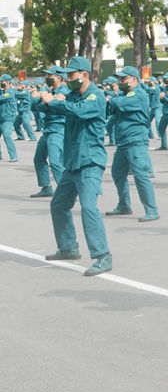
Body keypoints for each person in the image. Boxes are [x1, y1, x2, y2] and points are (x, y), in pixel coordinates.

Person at [40, 57, 113, 276]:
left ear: (84, 75)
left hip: (90, 161)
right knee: (59, 204)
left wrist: (53, 101)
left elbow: (78, 111)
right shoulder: (72, 95)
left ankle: (103, 255)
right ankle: (68, 246)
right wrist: (48, 98)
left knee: (89, 207)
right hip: (73, 162)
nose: (67, 79)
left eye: (71, 75)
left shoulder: (95, 96)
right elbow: (45, 106)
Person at [105, 66, 160, 222]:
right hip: (123, 140)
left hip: (135, 140)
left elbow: (119, 103)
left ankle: (152, 210)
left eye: (123, 79)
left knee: (140, 175)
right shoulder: (125, 94)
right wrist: (115, 99)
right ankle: (124, 205)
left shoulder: (138, 93)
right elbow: (113, 107)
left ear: (134, 79)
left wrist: (114, 98)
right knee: (117, 173)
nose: (119, 82)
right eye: (119, 79)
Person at [30, 66, 67, 197]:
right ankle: (46, 187)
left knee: (56, 161)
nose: (47, 79)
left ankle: (66, 192)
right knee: (38, 159)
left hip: (59, 128)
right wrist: (42, 100)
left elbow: (48, 105)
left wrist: (41, 99)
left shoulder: (65, 91)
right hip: (48, 129)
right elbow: (39, 107)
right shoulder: (51, 91)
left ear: (58, 77)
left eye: (49, 76)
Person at [0, 74, 20, 162]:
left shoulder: (10, 92)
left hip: (7, 118)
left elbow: (1, 99)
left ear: (8, 82)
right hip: (1, 118)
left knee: (7, 135)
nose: (1, 83)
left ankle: (13, 156)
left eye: (2, 81)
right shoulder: (2, 92)